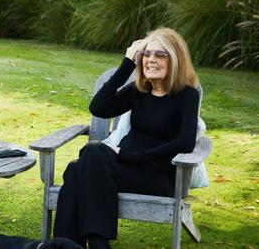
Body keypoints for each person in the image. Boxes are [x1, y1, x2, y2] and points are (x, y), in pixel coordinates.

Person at [53, 28, 200, 249]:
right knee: (82, 165)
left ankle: (74, 244)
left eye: (160, 54)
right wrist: (128, 62)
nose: (151, 60)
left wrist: (131, 156)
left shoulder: (187, 95)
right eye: (146, 55)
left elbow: (185, 142)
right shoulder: (138, 91)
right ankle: (89, 243)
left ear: (176, 59)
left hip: (159, 176)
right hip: (123, 167)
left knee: (80, 166)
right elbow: (98, 107)